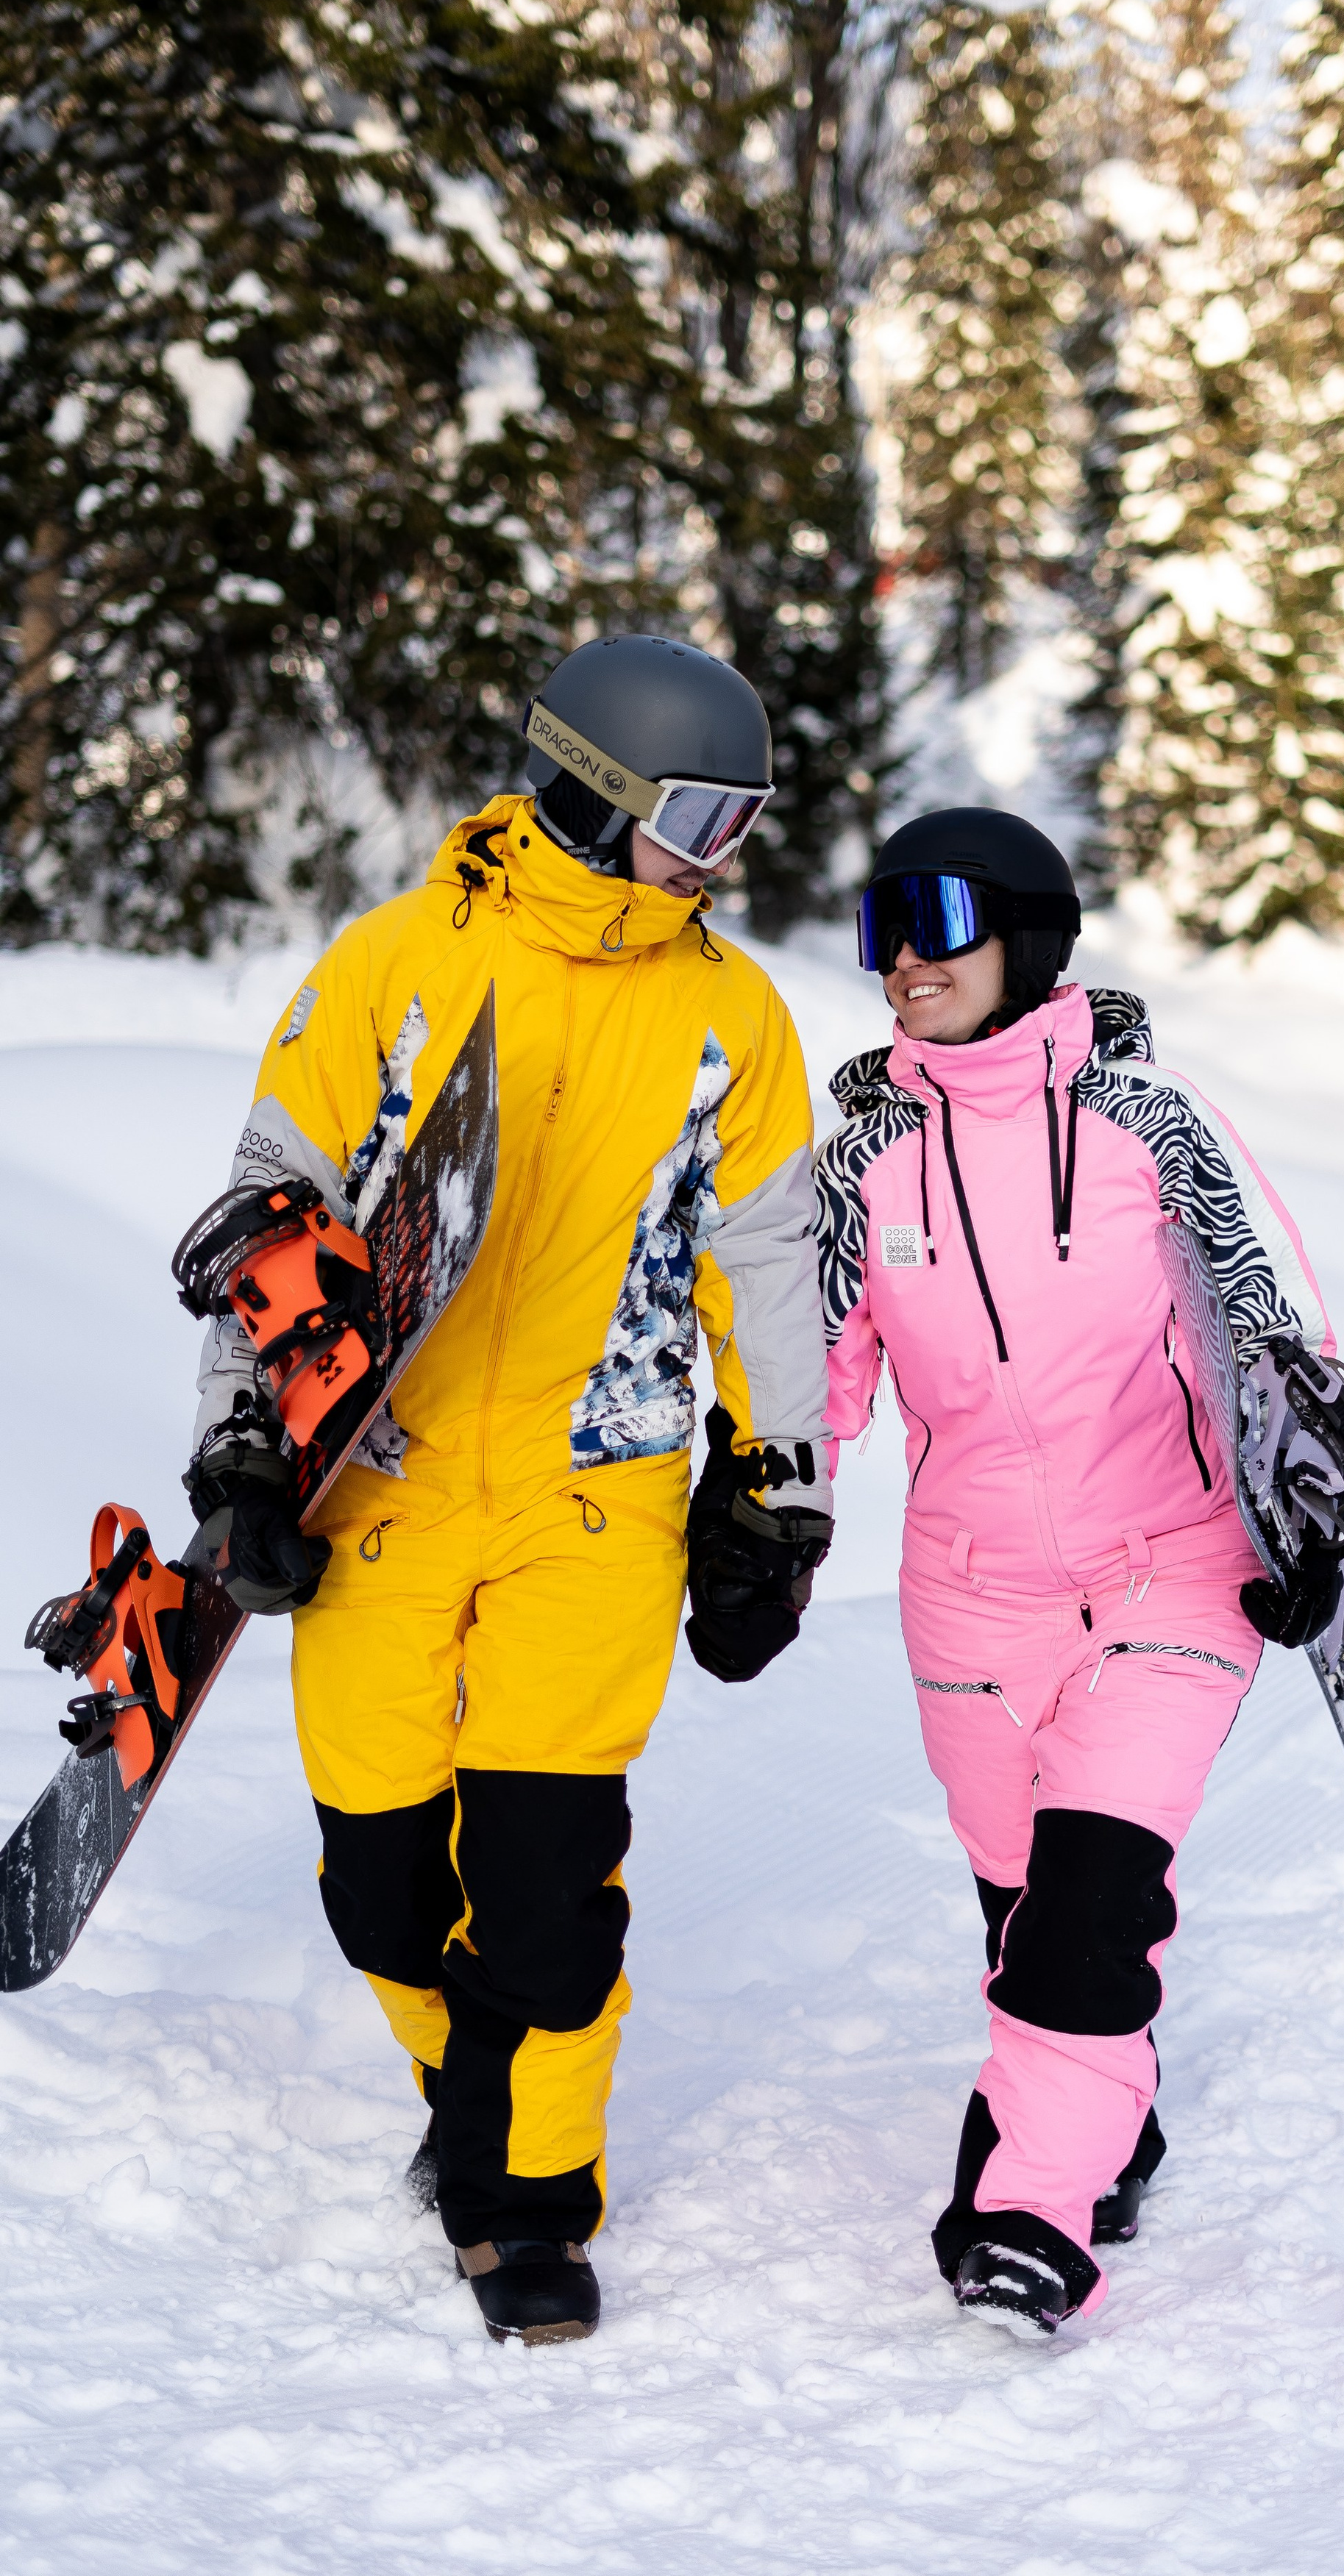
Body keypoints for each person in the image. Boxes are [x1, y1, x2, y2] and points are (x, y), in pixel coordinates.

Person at [182, 635, 833, 2346]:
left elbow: (766, 1268)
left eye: (747, 818)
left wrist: (775, 1493)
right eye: (699, 814)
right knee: (378, 1879)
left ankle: (526, 2201)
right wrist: (243, 1448)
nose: (725, 853)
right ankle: (470, 2085)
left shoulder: (730, 1015)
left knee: (546, 1879)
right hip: (377, 1489)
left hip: (592, 1496)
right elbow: (273, 1215)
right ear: (594, 789)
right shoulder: (394, 966)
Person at [814, 806, 1344, 2337]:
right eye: (879, 930)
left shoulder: (1148, 1127)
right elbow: (805, 1386)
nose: (903, 959)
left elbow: (1272, 1336)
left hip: (1171, 1571)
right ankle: (1104, 2114)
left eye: (936, 921)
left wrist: (1301, 1522)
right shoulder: (861, 1165)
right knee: (1021, 1913)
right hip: (968, 1598)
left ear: (1029, 939)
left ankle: (1032, 2217)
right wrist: (751, 1520)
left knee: (1087, 1908)